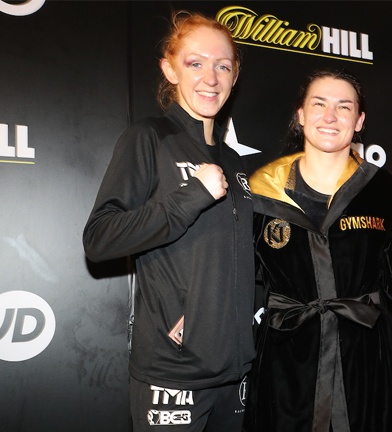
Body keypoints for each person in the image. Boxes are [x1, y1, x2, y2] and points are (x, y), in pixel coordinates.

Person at [82, 12, 254, 432]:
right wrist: (189, 198)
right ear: (169, 68)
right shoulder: (149, 137)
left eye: (223, 65)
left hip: (237, 375)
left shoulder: (239, 165)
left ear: (234, 75)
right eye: (195, 63)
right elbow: (99, 238)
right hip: (172, 375)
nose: (211, 78)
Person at [244, 69, 392, 432]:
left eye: (344, 106)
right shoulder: (260, 191)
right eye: (319, 104)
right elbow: (238, 282)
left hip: (364, 360)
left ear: (359, 120)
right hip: (287, 363)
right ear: (300, 115)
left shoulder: (382, 189)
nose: (330, 116)